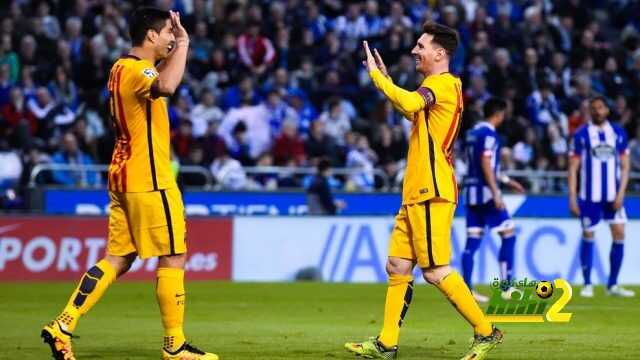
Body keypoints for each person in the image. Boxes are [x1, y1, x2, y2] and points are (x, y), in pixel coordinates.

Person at [41, 8, 218, 360]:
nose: (172, 36)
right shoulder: (139, 70)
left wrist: (175, 46)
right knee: (174, 255)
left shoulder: (122, 68)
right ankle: (175, 346)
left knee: (118, 258)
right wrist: (184, 43)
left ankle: (62, 324)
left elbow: (159, 80)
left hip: (123, 175)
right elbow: (166, 85)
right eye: (167, 31)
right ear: (151, 36)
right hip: (150, 179)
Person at [345, 21, 502, 360]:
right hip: (416, 190)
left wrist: (376, 77)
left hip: (431, 190)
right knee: (398, 266)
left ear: (439, 52)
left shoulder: (442, 84)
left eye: (420, 45)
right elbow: (409, 109)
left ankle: (486, 331)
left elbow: (412, 104)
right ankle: (387, 344)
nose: (414, 50)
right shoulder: (435, 88)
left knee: (434, 271)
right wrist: (387, 84)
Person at [568, 96, 635, 299]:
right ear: (589, 111)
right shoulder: (581, 134)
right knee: (588, 234)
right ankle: (587, 283)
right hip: (589, 196)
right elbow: (573, 167)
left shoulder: (617, 132)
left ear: (607, 109)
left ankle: (612, 284)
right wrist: (572, 196)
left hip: (613, 196)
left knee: (619, 233)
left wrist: (621, 193)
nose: (597, 111)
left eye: (600, 108)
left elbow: (625, 165)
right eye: (593, 108)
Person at [462, 98, 525, 303]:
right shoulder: (490, 134)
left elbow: (477, 164)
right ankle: (507, 287)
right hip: (487, 194)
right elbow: (486, 162)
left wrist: (506, 180)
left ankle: (466, 290)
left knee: (472, 241)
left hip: (471, 193)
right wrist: (496, 191)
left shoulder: (472, 133)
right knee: (509, 234)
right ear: (499, 114)